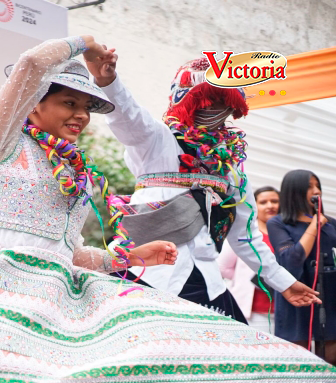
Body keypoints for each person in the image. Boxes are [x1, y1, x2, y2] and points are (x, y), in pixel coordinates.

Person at [0, 37, 336, 382]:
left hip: (62, 297)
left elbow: (70, 252)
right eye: (68, 102)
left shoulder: (76, 172)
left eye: (88, 106)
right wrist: (89, 48)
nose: (82, 115)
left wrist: (136, 256)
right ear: (32, 105)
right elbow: (37, 70)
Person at [86, 53, 321, 323]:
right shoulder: (157, 142)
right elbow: (128, 117)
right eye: (206, 101)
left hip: (207, 282)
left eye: (222, 102)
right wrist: (108, 81)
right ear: (184, 100)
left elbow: (246, 237)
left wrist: (284, 282)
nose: (213, 109)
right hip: (144, 274)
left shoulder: (233, 168)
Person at [268, 170, 336, 365]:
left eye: (318, 186)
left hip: (330, 295)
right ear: (294, 190)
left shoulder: (330, 223)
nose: (316, 191)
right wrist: (314, 226)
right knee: (298, 359)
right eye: (310, 186)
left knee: (331, 356)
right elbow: (291, 259)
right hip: (297, 294)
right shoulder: (278, 223)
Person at [218, 186, 280, 332]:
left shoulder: (287, 234)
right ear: (255, 205)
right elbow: (222, 267)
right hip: (252, 310)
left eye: (274, 201)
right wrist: (245, 277)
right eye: (263, 202)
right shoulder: (245, 233)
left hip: (283, 311)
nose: (270, 205)